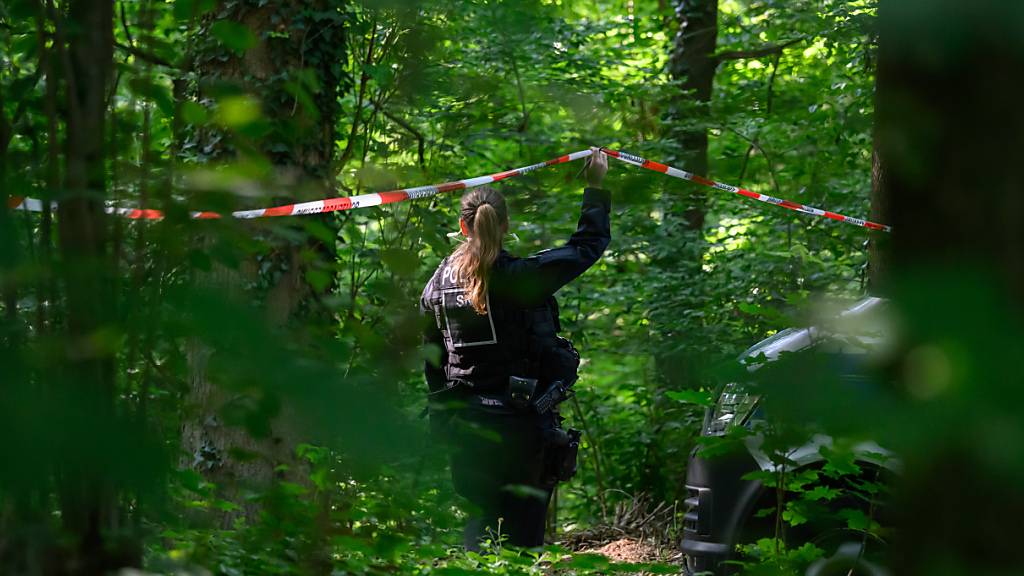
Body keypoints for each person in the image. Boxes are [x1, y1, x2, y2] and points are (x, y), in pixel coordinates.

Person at [420, 148, 611, 549]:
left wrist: (443, 419)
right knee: (524, 541)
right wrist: (595, 186)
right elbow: (587, 245)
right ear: (505, 225)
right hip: (523, 427)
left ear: (462, 226)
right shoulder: (523, 279)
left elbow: (432, 362)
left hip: (467, 428)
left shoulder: (436, 287)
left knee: (479, 531)